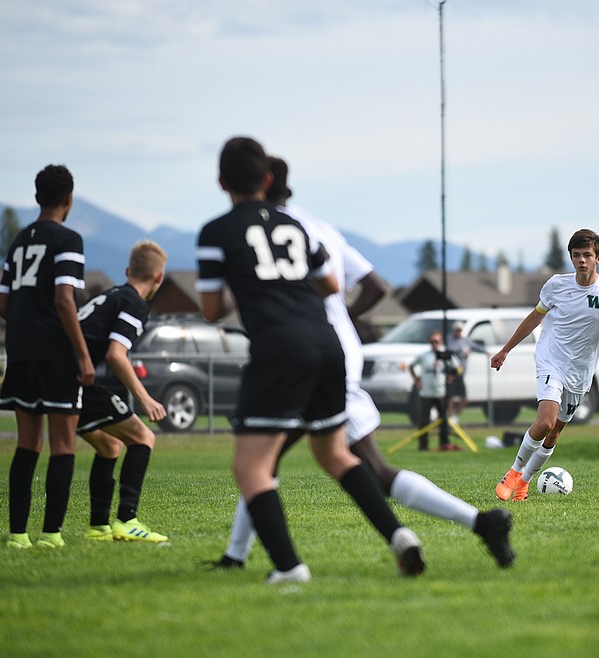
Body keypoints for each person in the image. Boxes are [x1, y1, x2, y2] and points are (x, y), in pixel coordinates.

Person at [208, 156, 513, 570]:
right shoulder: (315, 226)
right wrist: (340, 320)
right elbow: (369, 284)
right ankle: (236, 555)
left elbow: (220, 302)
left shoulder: (252, 229)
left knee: (268, 462)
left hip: (292, 354)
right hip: (335, 350)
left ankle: (266, 562)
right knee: (340, 463)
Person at [197, 137, 424, 584]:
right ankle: (398, 535)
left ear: (221, 182)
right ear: (266, 180)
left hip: (279, 349)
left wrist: (245, 284)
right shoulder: (296, 227)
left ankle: (288, 567)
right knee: (336, 453)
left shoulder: (216, 232)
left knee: (251, 467)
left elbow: (210, 310)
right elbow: (331, 285)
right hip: (327, 343)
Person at [0, 164, 94, 549]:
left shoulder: (18, 241)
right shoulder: (68, 238)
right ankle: (52, 534)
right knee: (63, 443)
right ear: (69, 200)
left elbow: (3, 305)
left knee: (27, 444)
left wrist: (28, 318)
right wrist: (83, 355)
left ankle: (17, 535)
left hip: (20, 351)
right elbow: (64, 299)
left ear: (37, 198)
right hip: (55, 354)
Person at [493, 228, 599, 501]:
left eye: (587, 255)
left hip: (580, 372)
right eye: (576, 255)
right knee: (545, 421)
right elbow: (535, 317)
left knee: (554, 433)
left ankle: (524, 483)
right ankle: (512, 473)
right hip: (550, 360)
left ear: (598, 258)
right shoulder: (556, 285)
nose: (581, 260)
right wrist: (505, 350)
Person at [75, 240, 170, 543]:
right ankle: (127, 520)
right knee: (143, 437)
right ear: (159, 278)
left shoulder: (109, 296)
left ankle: (98, 526)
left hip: (58, 376)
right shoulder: (134, 303)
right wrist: (146, 399)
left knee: (109, 446)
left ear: (128, 270)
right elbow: (117, 354)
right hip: (73, 381)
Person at [410, 331, 462, 451]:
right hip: (426, 392)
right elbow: (411, 366)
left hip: (440, 391)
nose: (434, 344)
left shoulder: (445, 354)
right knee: (424, 419)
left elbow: (458, 367)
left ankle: (444, 443)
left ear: (441, 342)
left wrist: (451, 377)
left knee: (443, 419)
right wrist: (416, 380)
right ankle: (423, 445)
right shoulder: (424, 356)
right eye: (432, 341)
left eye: (436, 341)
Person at [445, 322, 483, 423]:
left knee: (464, 398)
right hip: (452, 374)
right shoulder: (449, 339)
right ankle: (449, 417)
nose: (458, 332)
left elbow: (476, 346)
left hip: (460, 374)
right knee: (451, 398)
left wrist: (487, 352)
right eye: (457, 330)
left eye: (460, 330)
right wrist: (463, 351)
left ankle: (455, 417)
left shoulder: (465, 340)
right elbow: (450, 349)